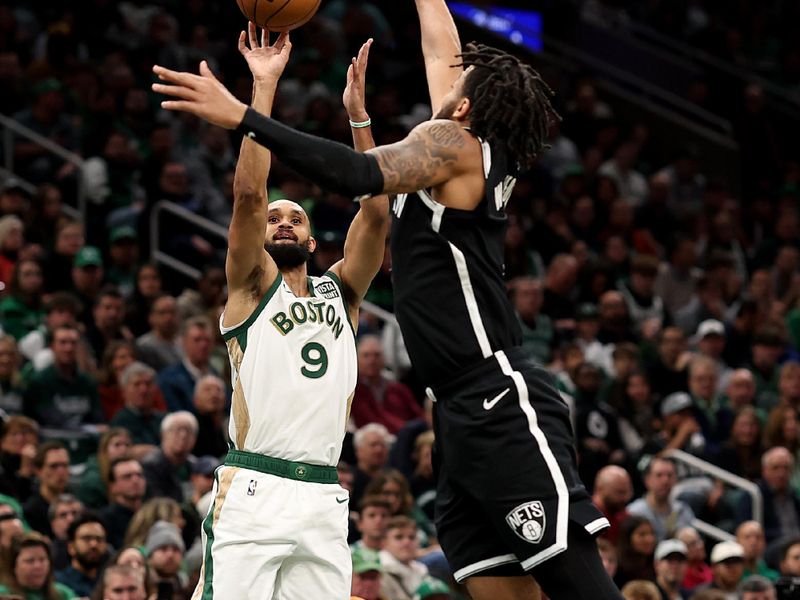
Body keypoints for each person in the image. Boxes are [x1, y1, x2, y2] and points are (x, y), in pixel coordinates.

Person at [153, 2, 622, 597]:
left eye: (460, 82)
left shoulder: (452, 142)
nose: (450, 78)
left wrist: (244, 115)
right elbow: (441, 48)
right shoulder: (468, 152)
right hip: (455, 414)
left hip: (494, 393)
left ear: (466, 106)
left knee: (576, 577)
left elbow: (356, 178)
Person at [159, 27, 393, 600]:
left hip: (322, 493)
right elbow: (249, 197)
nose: (284, 222)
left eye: (298, 219)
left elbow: (378, 217)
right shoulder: (249, 285)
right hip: (256, 486)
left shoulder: (344, 294)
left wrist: (359, 120)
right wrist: (262, 90)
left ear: (314, 243)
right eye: (276, 219)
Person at [0, 531, 77, 599]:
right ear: (13, 566)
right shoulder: (3, 595)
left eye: (42, 559)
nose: (38, 566)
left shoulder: (64, 594)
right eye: (30, 561)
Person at [55, 513, 108, 597]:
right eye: (87, 538)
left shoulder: (109, 582)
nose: (94, 544)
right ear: (71, 547)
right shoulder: (59, 583)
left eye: (99, 539)